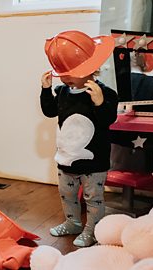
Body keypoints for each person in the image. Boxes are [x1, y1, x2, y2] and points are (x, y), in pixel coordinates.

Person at [40, 30, 118, 247]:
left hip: (94, 162)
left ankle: (93, 230)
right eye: (61, 73)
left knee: (93, 198)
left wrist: (100, 102)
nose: (64, 77)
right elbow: (49, 112)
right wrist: (46, 91)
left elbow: (107, 120)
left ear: (91, 67)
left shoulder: (105, 93)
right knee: (67, 194)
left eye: (69, 72)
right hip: (66, 159)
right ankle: (73, 222)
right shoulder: (63, 92)